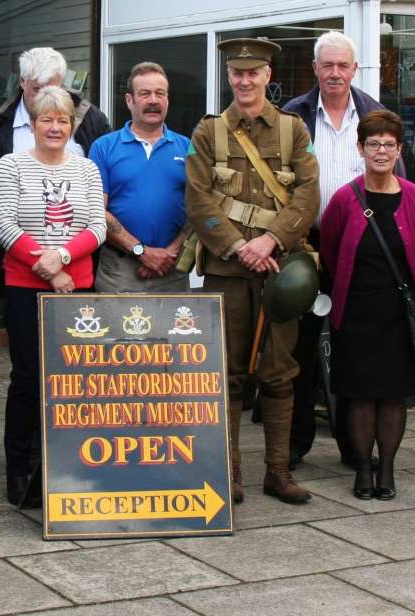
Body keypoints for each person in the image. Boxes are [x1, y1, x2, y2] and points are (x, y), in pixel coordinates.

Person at [185, 38, 320, 504]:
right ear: (229, 77)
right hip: (227, 271)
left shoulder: (292, 131)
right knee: (228, 374)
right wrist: (241, 246)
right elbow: (198, 199)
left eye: (253, 73)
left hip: (280, 271)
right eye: (237, 73)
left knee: (280, 372)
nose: (244, 81)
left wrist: (270, 240)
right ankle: (231, 471)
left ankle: (278, 472)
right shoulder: (209, 133)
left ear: (267, 77)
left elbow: (308, 194)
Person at [280, 31, 403, 467]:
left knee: (354, 349)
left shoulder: (376, 116)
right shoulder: (292, 116)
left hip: (360, 252)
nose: (335, 73)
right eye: (326, 65)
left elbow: (399, 189)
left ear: (354, 69)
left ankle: (355, 447)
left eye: (342, 65)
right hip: (304, 247)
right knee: (298, 351)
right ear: (315, 69)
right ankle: (294, 444)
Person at [0, 85, 106, 507]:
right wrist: (47, 270)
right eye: (46, 119)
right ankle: (19, 470)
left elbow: (97, 227)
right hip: (25, 288)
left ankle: (67, 466)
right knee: (27, 378)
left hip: (76, 287)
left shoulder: (86, 170)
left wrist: (60, 259)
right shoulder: (11, 166)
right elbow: (5, 225)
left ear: (72, 126)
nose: (55, 127)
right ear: (33, 124)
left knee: (73, 381)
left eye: (62, 120)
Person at [319, 110, 415, 500]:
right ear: (360, 149)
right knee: (361, 394)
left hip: (397, 312)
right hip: (355, 311)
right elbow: (331, 252)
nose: (381, 151)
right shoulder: (343, 199)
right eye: (373, 144)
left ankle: (386, 467)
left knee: (392, 394)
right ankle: (363, 468)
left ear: (399, 150)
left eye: (389, 144)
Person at [0, 47, 110, 292]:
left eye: (54, 88)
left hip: (79, 270)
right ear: (22, 82)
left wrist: (62, 256)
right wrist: (19, 189)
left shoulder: (92, 120)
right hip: (19, 267)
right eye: (37, 89)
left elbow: (99, 210)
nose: (45, 96)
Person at [89, 61, 189, 292]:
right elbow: (96, 210)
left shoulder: (188, 148)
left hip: (172, 268)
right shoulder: (103, 147)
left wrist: (170, 253)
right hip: (120, 270)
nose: (153, 100)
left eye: (159, 94)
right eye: (144, 94)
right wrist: (141, 252)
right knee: (117, 329)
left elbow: (199, 208)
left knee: (174, 329)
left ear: (167, 100)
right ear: (129, 100)